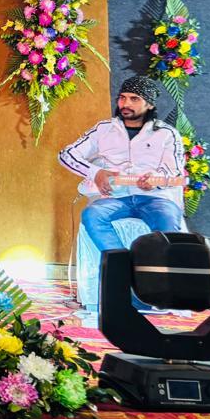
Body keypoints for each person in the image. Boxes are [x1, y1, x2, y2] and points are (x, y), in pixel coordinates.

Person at [59, 75, 185, 301]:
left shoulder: (166, 134)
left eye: (134, 99)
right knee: (92, 215)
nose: (126, 104)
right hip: (114, 198)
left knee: (167, 224)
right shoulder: (103, 129)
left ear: (149, 104)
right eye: (123, 98)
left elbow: (175, 171)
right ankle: (124, 269)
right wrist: (95, 172)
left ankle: (154, 286)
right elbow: (66, 154)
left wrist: (156, 179)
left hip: (155, 198)